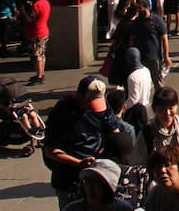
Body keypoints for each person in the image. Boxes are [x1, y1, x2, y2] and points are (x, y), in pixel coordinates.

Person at [43, 76, 122, 210]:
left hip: (98, 173)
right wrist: (78, 163)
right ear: (79, 96)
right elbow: (50, 150)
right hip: (69, 178)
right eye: (88, 103)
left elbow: (114, 130)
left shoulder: (102, 107)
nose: (91, 108)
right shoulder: (62, 111)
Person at [136, 87, 179, 187]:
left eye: (171, 108)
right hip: (159, 191)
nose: (167, 113)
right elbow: (139, 165)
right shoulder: (147, 133)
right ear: (154, 110)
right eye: (162, 110)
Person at [61, 158, 134, 211]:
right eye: (87, 181)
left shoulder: (123, 208)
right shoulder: (72, 209)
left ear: (108, 188)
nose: (90, 187)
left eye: (96, 183)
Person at [131, 0, 171, 89]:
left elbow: (164, 39)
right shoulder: (137, 21)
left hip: (154, 57)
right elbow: (133, 38)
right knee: (141, 83)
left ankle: (161, 101)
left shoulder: (157, 20)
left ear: (147, 7)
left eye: (140, 8)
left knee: (157, 81)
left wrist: (166, 56)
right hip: (140, 57)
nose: (138, 11)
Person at [21, 0, 51, 86]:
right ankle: (41, 73)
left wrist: (23, 11)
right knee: (41, 54)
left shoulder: (36, 5)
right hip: (44, 31)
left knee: (36, 55)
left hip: (36, 32)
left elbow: (30, 18)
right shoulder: (46, 2)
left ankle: (39, 76)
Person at [124, 47, 155, 124]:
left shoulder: (132, 77)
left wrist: (122, 108)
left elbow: (133, 99)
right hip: (147, 107)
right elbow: (151, 87)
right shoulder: (146, 70)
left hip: (136, 112)